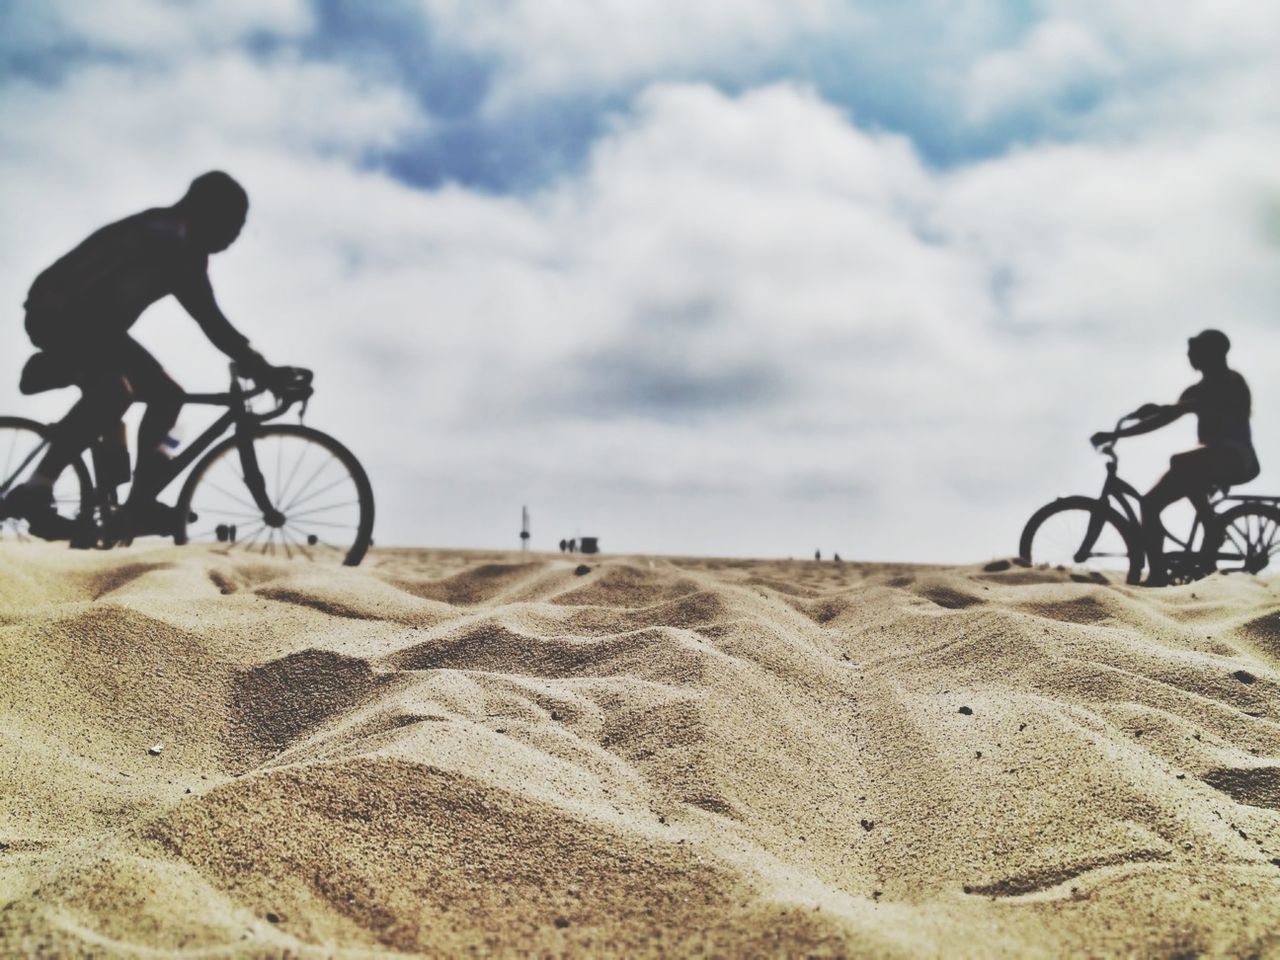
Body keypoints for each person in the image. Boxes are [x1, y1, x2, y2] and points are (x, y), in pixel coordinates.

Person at [5, 171, 289, 542]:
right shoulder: (171, 238)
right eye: (233, 225)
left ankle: (138, 505)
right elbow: (210, 319)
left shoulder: (180, 239)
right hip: (59, 314)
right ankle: (36, 489)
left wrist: (256, 363)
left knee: (170, 396)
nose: (235, 236)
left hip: (95, 326)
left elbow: (210, 318)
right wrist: (260, 366)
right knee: (114, 393)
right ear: (208, 213)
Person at [1091, 329, 1259, 586]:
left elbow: (1192, 405)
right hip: (1208, 461)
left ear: (1211, 353)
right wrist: (1119, 433)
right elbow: (1164, 418)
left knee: (1181, 461)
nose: (1190, 356)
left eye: (1195, 352)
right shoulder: (1198, 389)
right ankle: (1160, 570)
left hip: (1234, 456)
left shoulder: (1230, 382)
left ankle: (1212, 530)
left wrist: (1167, 409)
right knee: (1149, 503)